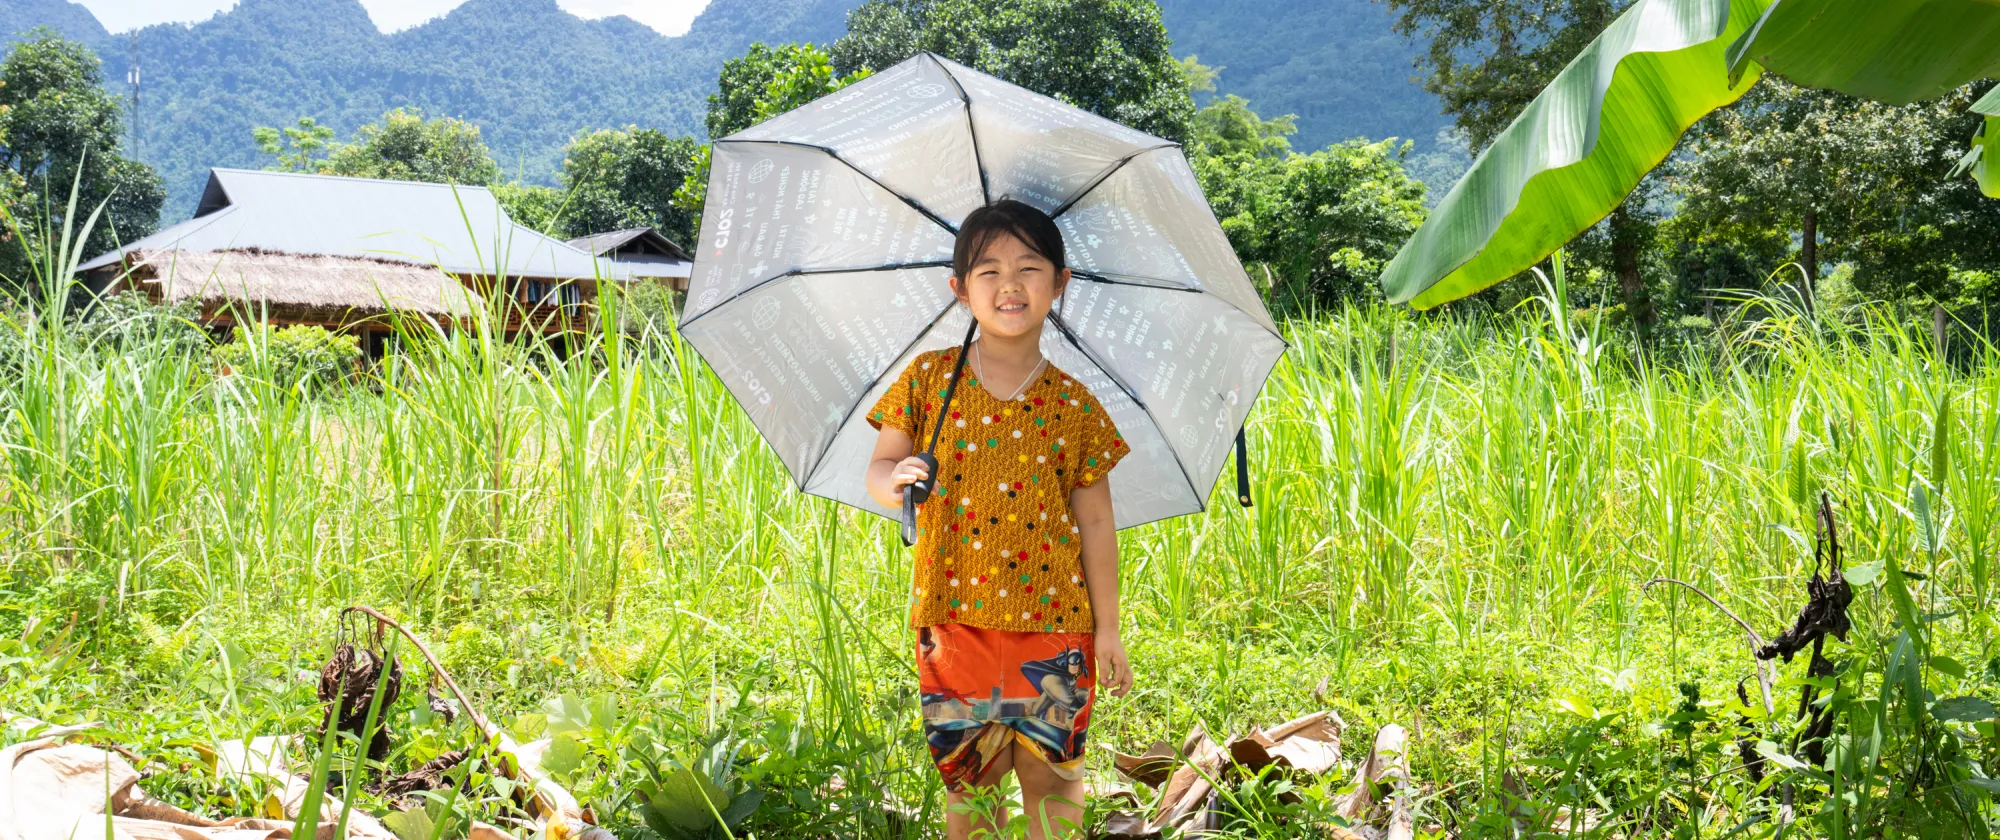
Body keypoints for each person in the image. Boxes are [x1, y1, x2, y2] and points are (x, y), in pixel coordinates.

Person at [864, 199, 1131, 840]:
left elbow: (1096, 525)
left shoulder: (1073, 405)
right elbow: (880, 468)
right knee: (970, 789)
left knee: (1054, 779)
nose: (1009, 284)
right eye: (988, 271)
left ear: (1060, 283)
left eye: (1029, 267)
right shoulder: (929, 381)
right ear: (960, 290)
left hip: (1056, 628)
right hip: (954, 624)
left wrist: (1109, 629)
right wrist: (894, 481)